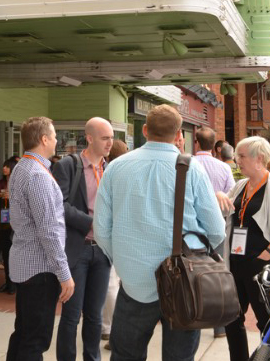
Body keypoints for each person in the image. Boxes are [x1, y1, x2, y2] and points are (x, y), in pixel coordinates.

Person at [94, 104, 225, 361]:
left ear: (145, 130)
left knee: (125, 355)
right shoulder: (192, 168)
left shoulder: (116, 168)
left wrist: (122, 260)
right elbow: (216, 230)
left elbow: (100, 229)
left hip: (134, 283)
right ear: (179, 135)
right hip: (184, 283)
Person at [223, 137, 270, 361]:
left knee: (267, 322)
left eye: (242, 156)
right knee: (232, 319)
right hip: (235, 263)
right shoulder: (240, 186)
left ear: (260, 159)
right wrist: (217, 196)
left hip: (263, 268)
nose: (237, 161)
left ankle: (268, 357)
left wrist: (266, 254)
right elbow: (224, 207)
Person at [6, 116, 74, 361]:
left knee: (24, 333)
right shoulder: (37, 175)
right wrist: (64, 273)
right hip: (39, 270)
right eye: (54, 136)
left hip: (27, 266)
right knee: (35, 340)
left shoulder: (23, 168)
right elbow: (49, 230)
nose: (57, 140)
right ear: (44, 139)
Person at [53, 117, 113, 361]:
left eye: (111, 138)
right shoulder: (68, 165)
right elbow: (60, 206)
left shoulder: (110, 169)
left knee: (95, 315)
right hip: (77, 251)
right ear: (89, 138)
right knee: (71, 315)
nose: (110, 143)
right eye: (105, 138)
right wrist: (92, 224)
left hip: (102, 252)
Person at [194, 126, 235, 338]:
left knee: (192, 272)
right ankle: (219, 327)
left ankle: (193, 317)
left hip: (192, 229)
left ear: (196, 142)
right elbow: (231, 197)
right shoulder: (224, 168)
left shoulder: (187, 165)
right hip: (218, 225)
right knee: (217, 273)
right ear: (215, 147)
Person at [101, 140, 128, 351]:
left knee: (111, 283)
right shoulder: (129, 171)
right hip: (128, 234)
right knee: (119, 283)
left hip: (111, 234)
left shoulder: (108, 172)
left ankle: (111, 327)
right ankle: (110, 327)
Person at [0, 157, 17, 293]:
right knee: (5, 252)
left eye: (7, 166)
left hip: (13, 221)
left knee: (14, 254)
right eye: (4, 166)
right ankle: (8, 282)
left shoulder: (18, 182)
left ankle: (14, 283)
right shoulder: (1, 182)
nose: (4, 169)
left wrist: (11, 196)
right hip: (2, 219)